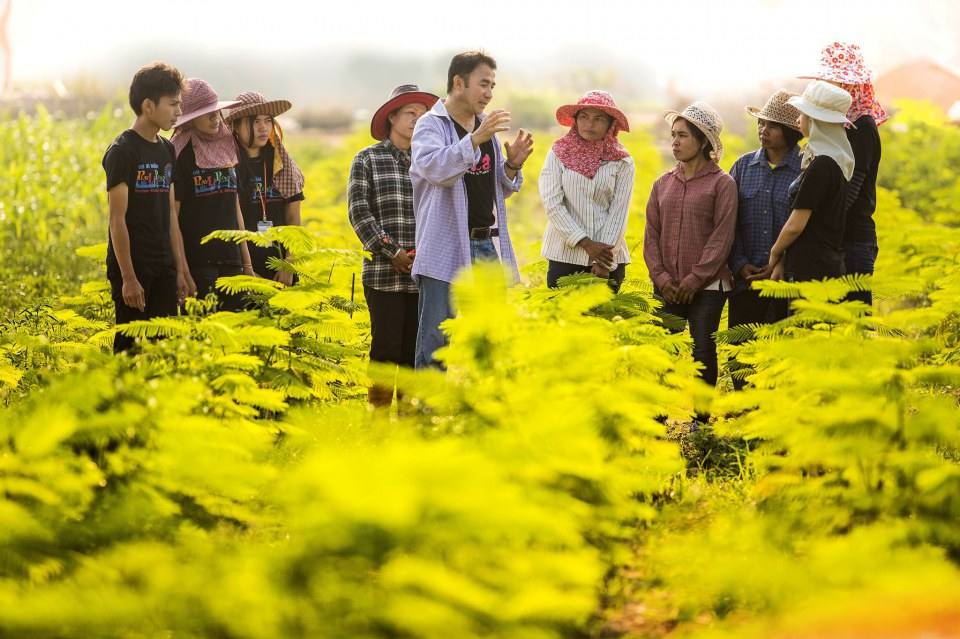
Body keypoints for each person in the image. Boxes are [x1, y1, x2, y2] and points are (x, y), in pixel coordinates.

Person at [409, 51, 534, 369]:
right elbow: (436, 169)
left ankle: (485, 408)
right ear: (458, 82)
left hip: (483, 242)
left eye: (493, 85)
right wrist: (477, 139)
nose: (490, 93)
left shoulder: (484, 129)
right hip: (443, 243)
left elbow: (495, 189)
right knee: (437, 337)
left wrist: (513, 165)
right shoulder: (430, 125)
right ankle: (428, 413)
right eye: (483, 84)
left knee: (493, 332)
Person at [348, 84, 439, 407]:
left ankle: (408, 422)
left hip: (424, 272)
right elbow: (359, 212)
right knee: (385, 350)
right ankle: (378, 421)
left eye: (423, 114)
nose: (418, 119)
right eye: (410, 113)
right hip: (383, 275)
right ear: (392, 117)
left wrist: (421, 254)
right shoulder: (367, 160)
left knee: (415, 351)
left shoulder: (430, 162)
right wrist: (392, 251)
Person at [643, 102, 737, 387]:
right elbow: (651, 236)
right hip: (667, 285)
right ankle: (656, 418)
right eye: (673, 135)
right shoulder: (662, 184)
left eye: (683, 135)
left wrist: (694, 280)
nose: (674, 142)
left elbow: (721, 238)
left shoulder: (723, 184)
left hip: (708, 288)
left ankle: (701, 420)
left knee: (703, 351)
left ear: (703, 140)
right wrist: (661, 278)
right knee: (663, 351)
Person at [102, 62, 192, 353]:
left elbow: (170, 216)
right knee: (131, 352)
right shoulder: (123, 152)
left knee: (163, 351)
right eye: (173, 104)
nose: (179, 112)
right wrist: (128, 278)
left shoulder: (167, 150)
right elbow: (117, 221)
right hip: (134, 267)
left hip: (164, 265)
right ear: (148, 106)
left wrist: (179, 270)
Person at [801, 42, 886, 306]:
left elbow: (851, 187)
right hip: (832, 237)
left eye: (836, 82)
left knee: (852, 322)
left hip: (852, 238)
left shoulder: (862, 127)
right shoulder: (836, 126)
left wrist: (816, 222)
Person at [171, 78, 254, 311]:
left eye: (216, 112)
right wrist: (182, 271)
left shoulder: (228, 145)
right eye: (207, 114)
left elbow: (234, 207)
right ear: (189, 117)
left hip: (232, 260)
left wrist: (246, 263)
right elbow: (173, 218)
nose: (215, 118)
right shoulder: (180, 153)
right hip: (198, 263)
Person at [761, 81, 854, 284]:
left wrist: (775, 252)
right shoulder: (834, 161)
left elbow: (796, 224)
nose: (798, 119)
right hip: (825, 266)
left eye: (802, 115)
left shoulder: (821, 166)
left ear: (815, 121)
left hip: (812, 271)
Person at [540, 90, 634, 291]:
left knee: (605, 321)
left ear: (611, 124)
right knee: (562, 320)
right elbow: (552, 204)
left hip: (608, 260)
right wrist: (585, 243)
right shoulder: (558, 153)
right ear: (575, 120)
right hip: (564, 256)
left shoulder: (623, 162)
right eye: (584, 117)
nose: (589, 124)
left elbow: (619, 212)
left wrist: (603, 260)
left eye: (598, 118)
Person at [728, 90, 803, 328]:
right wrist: (739, 264)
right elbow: (728, 222)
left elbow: (806, 227)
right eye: (761, 123)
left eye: (773, 126)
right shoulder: (743, 167)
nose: (763, 130)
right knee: (739, 358)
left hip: (787, 282)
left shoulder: (805, 170)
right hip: (745, 282)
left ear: (790, 132)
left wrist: (783, 262)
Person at [224, 91, 305, 286]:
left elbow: (294, 221)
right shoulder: (227, 166)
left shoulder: (281, 164)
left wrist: (288, 266)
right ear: (235, 125)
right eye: (254, 121)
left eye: (267, 121)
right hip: (242, 272)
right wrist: (246, 269)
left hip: (281, 269)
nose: (263, 128)